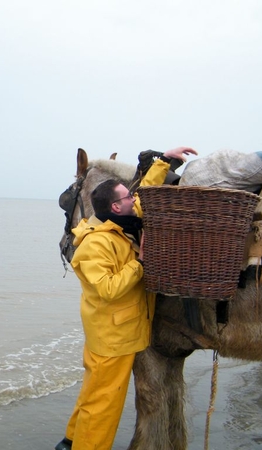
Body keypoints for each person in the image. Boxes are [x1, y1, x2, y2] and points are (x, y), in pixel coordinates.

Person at [55, 147, 198, 450]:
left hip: (113, 333)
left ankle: (70, 440)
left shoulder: (120, 223)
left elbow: (144, 195)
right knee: (104, 406)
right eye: (127, 198)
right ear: (115, 207)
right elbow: (107, 289)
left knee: (94, 392)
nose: (133, 199)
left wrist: (164, 161)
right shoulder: (95, 244)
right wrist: (141, 263)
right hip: (113, 339)